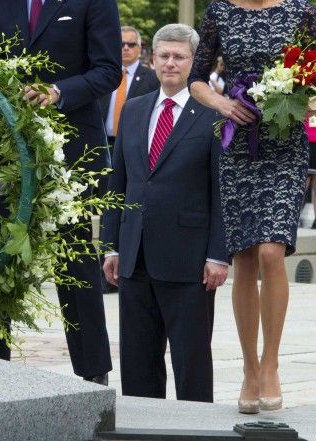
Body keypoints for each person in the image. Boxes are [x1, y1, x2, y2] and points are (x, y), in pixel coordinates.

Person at [0, 0, 120, 383]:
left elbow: (108, 71)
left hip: (72, 150)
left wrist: (59, 91)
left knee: (75, 262)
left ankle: (92, 373)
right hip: (10, 148)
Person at [189, 0, 316, 413]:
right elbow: (198, 80)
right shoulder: (221, 12)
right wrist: (222, 105)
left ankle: (272, 364)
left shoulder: (300, 12)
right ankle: (247, 368)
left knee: (270, 252)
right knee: (243, 255)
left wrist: (304, 101)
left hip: (285, 143)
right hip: (238, 144)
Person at [102, 24, 228, 402]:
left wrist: (218, 255)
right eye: (164, 56)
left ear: (193, 62)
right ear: (152, 59)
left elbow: (222, 190)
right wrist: (111, 245)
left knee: (191, 363)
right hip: (135, 255)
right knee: (138, 365)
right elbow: (118, 183)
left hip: (189, 261)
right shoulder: (135, 110)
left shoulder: (212, 114)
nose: (171, 63)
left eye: (180, 56)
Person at [100, 25, 159, 147]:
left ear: (139, 48)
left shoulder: (153, 78)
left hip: (135, 144)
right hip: (103, 143)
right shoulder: (104, 75)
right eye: (121, 44)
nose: (126, 48)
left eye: (131, 44)